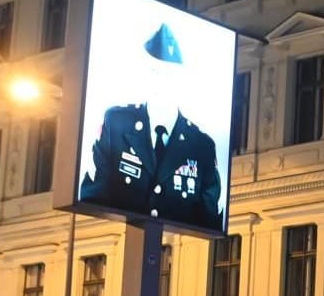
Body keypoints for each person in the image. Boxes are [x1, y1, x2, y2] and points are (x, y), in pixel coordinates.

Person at [79, 23, 224, 230]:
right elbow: (92, 194)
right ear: (144, 74)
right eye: (154, 71)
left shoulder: (202, 146)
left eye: (168, 73)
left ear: (182, 80)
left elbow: (209, 219)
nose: (160, 80)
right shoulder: (117, 124)